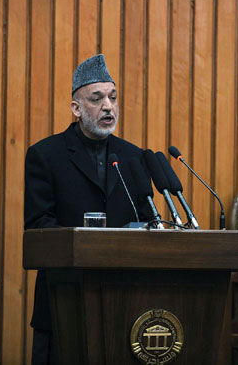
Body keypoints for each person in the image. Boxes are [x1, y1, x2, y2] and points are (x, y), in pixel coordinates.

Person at [24, 54, 151, 365]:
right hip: (64, 298)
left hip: (123, 299)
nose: (108, 106)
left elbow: (147, 221)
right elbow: (40, 225)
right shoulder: (46, 155)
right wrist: (88, 245)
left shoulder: (134, 157)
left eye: (113, 97)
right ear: (76, 108)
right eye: (97, 99)